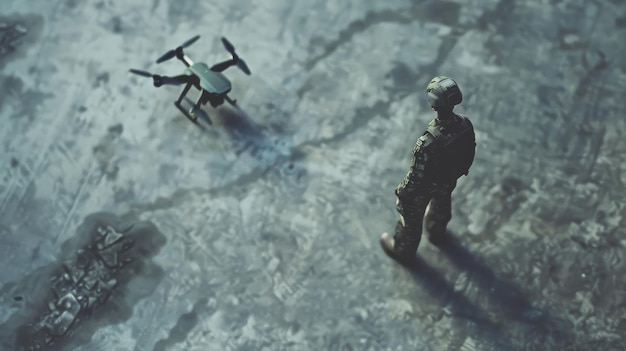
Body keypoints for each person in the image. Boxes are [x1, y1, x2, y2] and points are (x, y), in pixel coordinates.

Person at [380, 76, 476, 262]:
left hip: (426, 186)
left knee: (411, 219)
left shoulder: (428, 141)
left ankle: (403, 251)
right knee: (441, 202)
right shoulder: (465, 123)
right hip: (449, 178)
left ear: (434, 105)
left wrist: (403, 193)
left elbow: (416, 176)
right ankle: (436, 232)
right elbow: (470, 151)